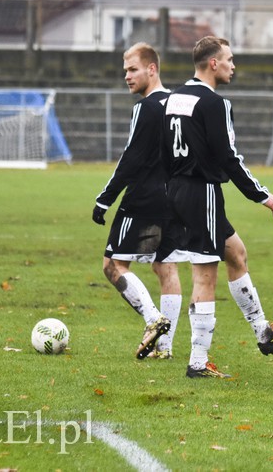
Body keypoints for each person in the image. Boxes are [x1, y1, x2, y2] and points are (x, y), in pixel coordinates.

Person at [162, 35, 273, 379]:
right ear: (213, 64)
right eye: (230, 59)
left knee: (235, 253)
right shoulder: (214, 103)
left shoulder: (174, 97)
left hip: (177, 189)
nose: (234, 66)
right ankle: (197, 362)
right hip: (202, 191)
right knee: (205, 275)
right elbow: (228, 157)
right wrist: (261, 194)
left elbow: (165, 150)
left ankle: (263, 331)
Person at [92, 42, 180, 360]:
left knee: (113, 265)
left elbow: (131, 158)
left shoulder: (146, 107)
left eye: (133, 69)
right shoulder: (179, 104)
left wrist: (105, 199)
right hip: (174, 199)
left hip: (142, 199)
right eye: (125, 70)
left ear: (151, 68)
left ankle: (153, 319)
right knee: (165, 267)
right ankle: (165, 349)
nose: (127, 76)